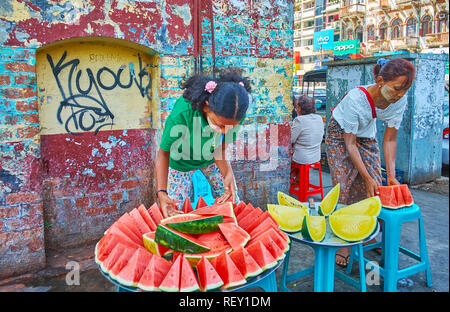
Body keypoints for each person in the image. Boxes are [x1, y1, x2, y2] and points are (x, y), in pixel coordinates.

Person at [325, 58, 415, 267]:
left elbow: (390, 139)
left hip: (366, 135)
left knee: (375, 186)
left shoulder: (400, 100)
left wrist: (390, 175)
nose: (400, 94)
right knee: (344, 186)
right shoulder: (356, 99)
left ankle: (369, 233)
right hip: (341, 136)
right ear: (381, 81)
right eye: (397, 88)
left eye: (405, 89)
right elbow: (350, 143)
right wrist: (364, 177)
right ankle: (343, 242)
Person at [155, 71, 251, 218]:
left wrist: (228, 173)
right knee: (173, 213)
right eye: (220, 125)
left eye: (229, 127)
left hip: (211, 158)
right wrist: (161, 192)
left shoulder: (235, 115)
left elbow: (220, 148)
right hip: (180, 163)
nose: (225, 131)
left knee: (233, 203)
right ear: (207, 106)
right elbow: (163, 153)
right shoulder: (182, 113)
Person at [290, 95, 324, 184]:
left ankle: (294, 179)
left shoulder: (300, 120)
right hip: (315, 157)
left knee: (284, 157)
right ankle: (298, 179)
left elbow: (291, 139)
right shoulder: (319, 118)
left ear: (300, 108)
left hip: (302, 158)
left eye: (297, 107)